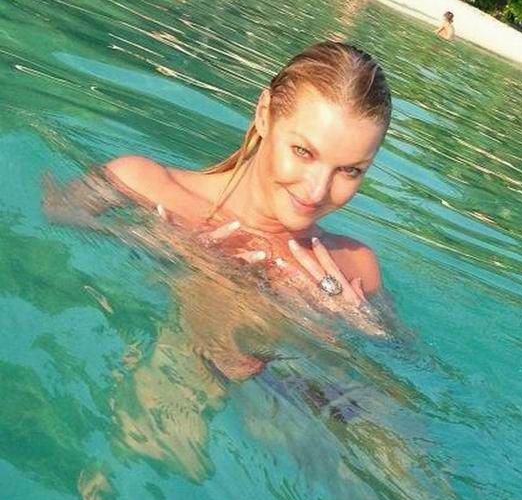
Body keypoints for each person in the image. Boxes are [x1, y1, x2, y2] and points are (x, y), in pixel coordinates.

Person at [45, 41, 393, 477]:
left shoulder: (354, 265)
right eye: (303, 152)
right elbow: (56, 209)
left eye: (350, 170)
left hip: (300, 421)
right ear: (264, 114)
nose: (317, 190)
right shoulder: (144, 184)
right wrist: (143, 237)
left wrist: (359, 323)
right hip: (168, 410)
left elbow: (402, 369)